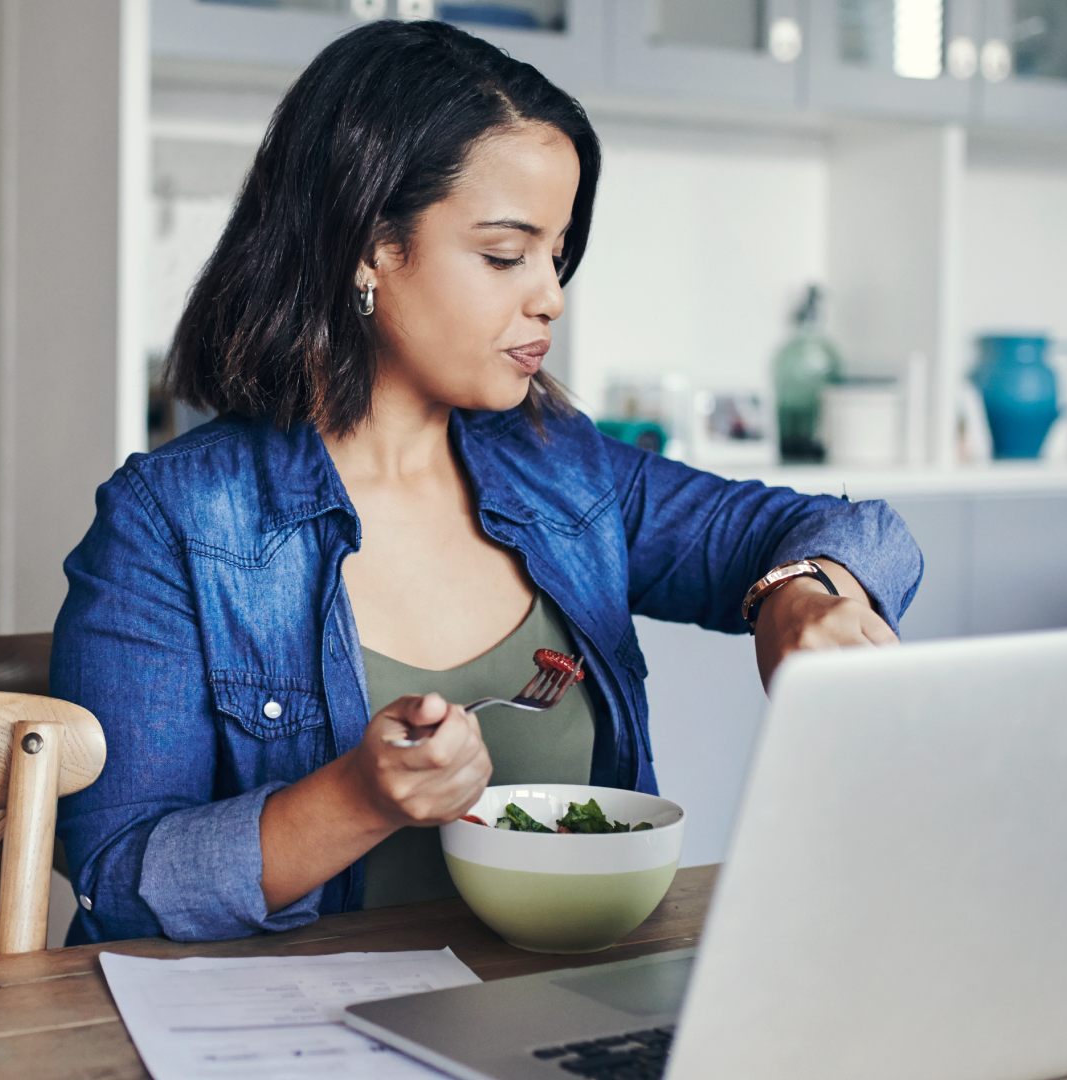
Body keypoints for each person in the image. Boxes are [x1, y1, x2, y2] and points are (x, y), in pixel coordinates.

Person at [51, 19, 922, 945]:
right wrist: (358, 796)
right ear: (368, 244)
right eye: (505, 255)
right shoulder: (174, 521)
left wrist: (799, 591)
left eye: (557, 254)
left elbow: (843, 528)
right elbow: (120, 879)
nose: (548, 294)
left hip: (563, 1008)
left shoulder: (564, 471)